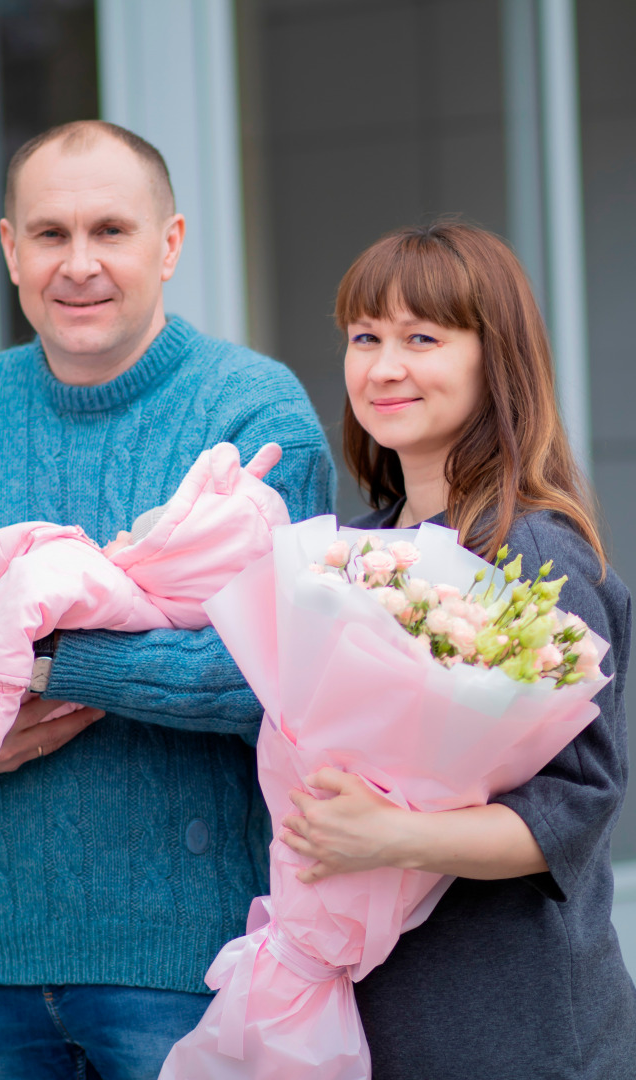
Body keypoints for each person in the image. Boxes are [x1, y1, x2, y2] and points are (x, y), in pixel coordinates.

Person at [0, 119, 334, 1078]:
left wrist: (45, 651)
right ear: (9, 248)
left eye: (111, 230)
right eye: (51, 234)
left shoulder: (251, 410)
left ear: (170, 244)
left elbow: (278, 683)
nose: (80, 264)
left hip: (192, 965)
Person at [281, 222, 635, 1079]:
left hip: (512, 1022)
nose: (382, 366)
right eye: (364, 338)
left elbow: (573, 809)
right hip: (369, 1010)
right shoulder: (342, 556)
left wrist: (390, 836)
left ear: (494, 360)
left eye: (422, 339)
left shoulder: (533, 553)